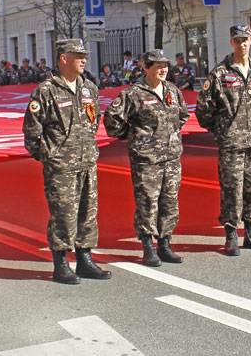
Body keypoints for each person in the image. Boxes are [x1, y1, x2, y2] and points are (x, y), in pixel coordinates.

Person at [22, 39, 110, 284]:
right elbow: (31, 131)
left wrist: (87, 149)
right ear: (63, 58)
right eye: (77, 55)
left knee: (87, 212)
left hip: (87, 161)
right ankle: (61, 263)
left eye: (84, 55)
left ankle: (85, 259)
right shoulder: (46, 91)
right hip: (61, 165)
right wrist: (50, 156)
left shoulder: (89, 88)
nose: (83, 59)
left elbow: (95, 119)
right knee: (63, 214)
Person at [104, 49, 190, 266]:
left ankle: (165, 242)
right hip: (146, 158)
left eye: (165, 65)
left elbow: (183, 115)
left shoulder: (172, 90)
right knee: (148, 201)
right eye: (157, 65)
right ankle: (148, 246)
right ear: (145, 68)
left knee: (169, 201)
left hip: (171, 157)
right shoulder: (133, 93)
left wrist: (170, 134)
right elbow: (112, 119)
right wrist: (134, 137)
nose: (163, 69)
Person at [195, 25, 251, 256]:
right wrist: (221, 130)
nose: (242, 44)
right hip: (231, 143)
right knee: (232, 189)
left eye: (245, 40)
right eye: (237, 40)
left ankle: (250, 233)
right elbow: (203, 107)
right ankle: (231, 234)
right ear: (232, 43)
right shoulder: (220, 73)